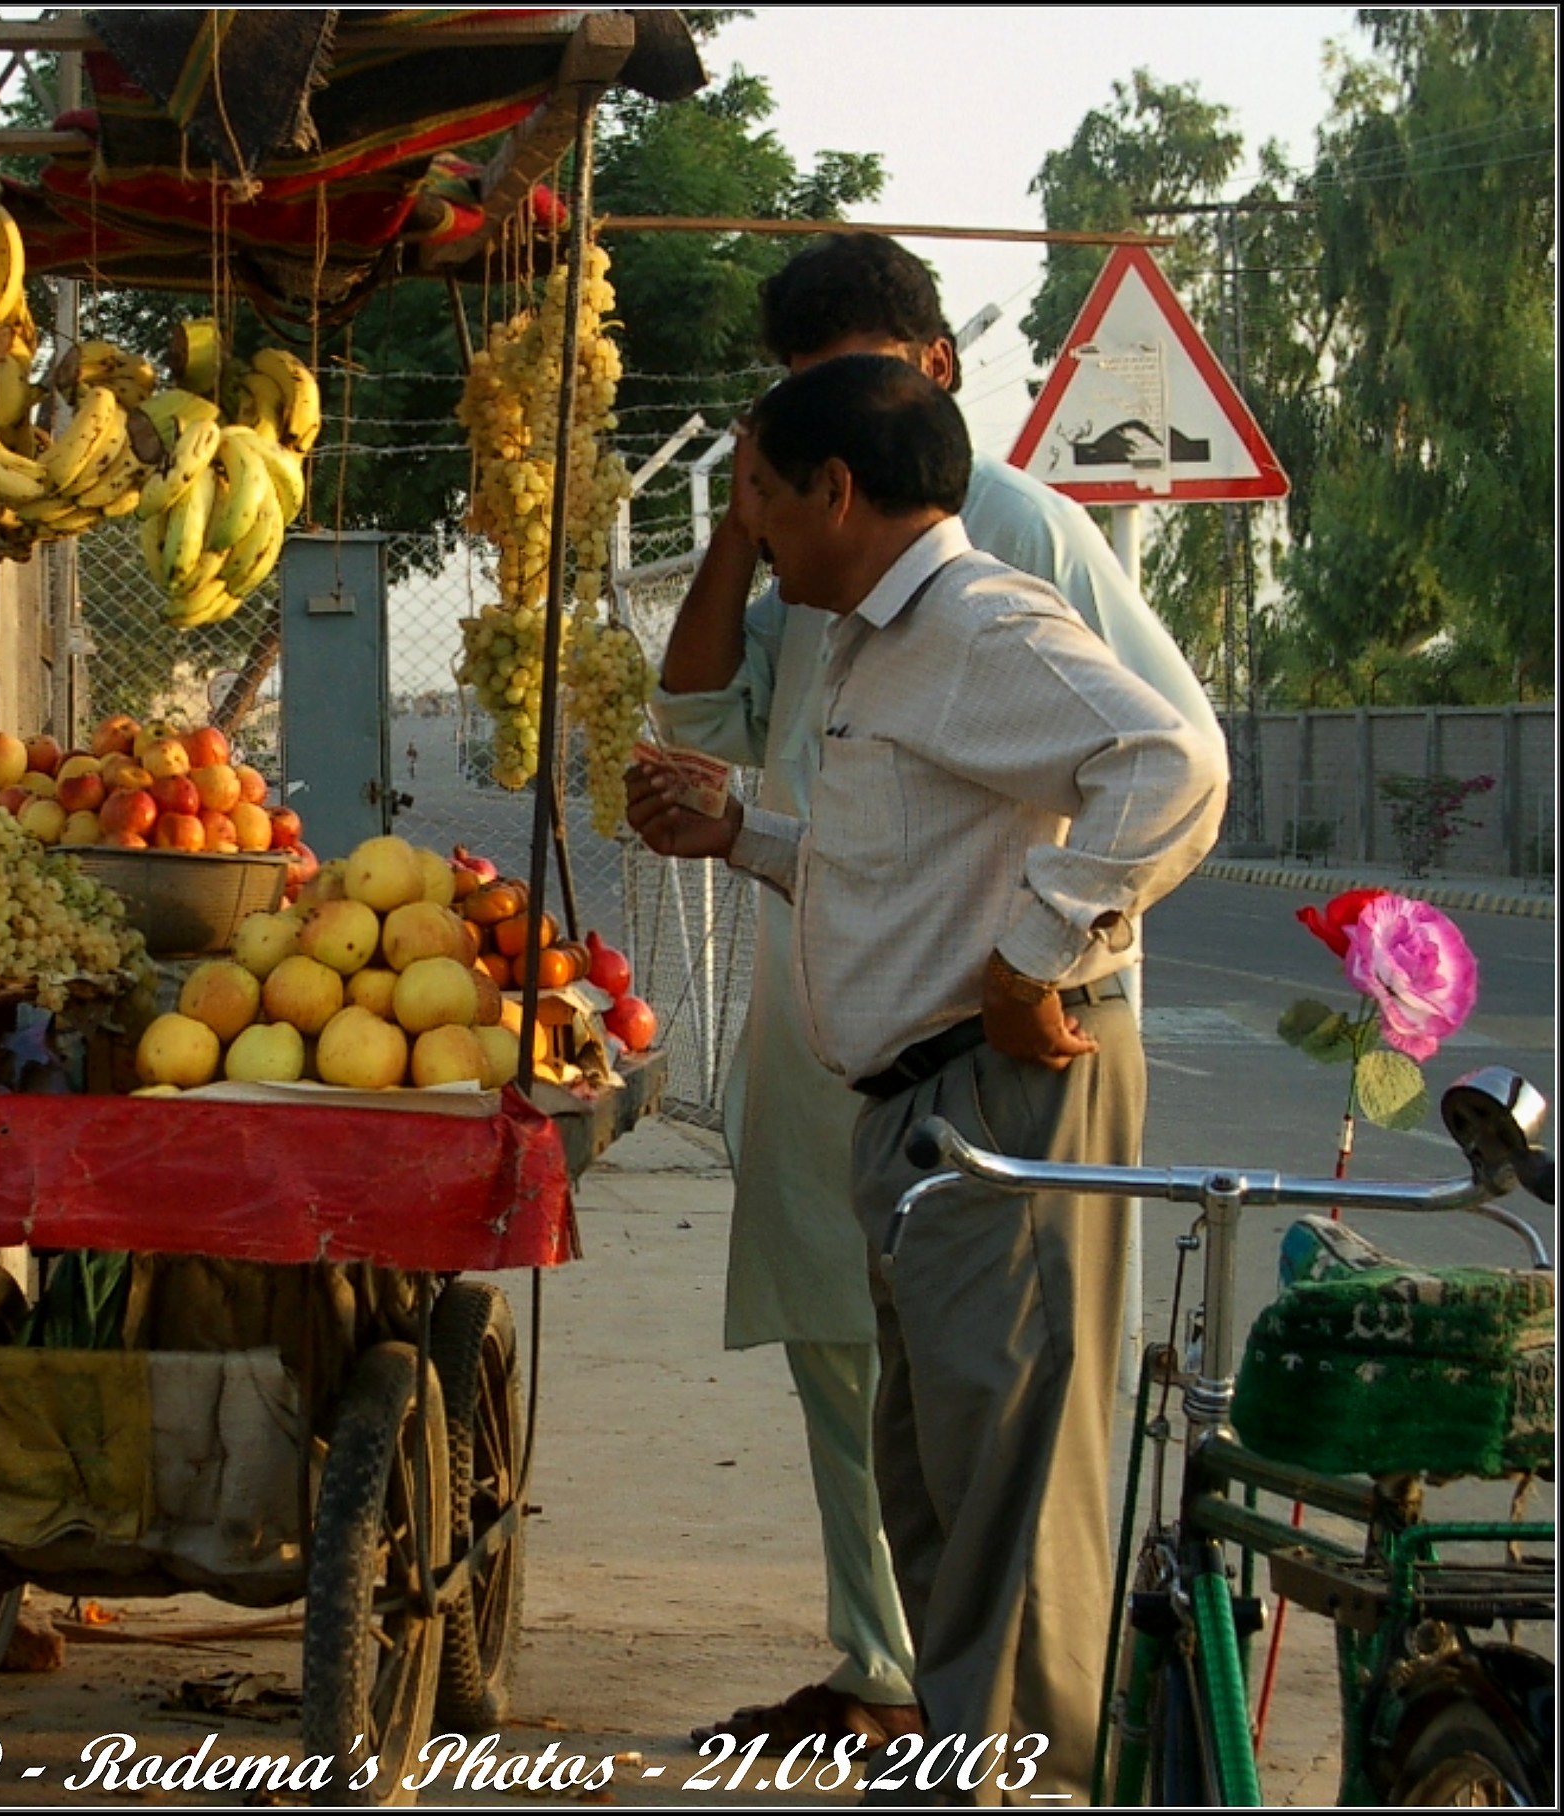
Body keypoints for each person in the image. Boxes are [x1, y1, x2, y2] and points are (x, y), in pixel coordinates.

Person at [628, 356, 1226, 1802]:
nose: (750, 526)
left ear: (839, 490)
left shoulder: (976, 622)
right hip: (916, 1114)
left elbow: (1175, 761)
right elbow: (902, 864)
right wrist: (747, 838)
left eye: (761, 493)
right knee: (942, 1489)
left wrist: (1036, 956)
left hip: (998, 1101)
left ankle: (1017, 1782)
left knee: (1009, 1501)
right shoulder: (872, 647)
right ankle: (969, 1767)